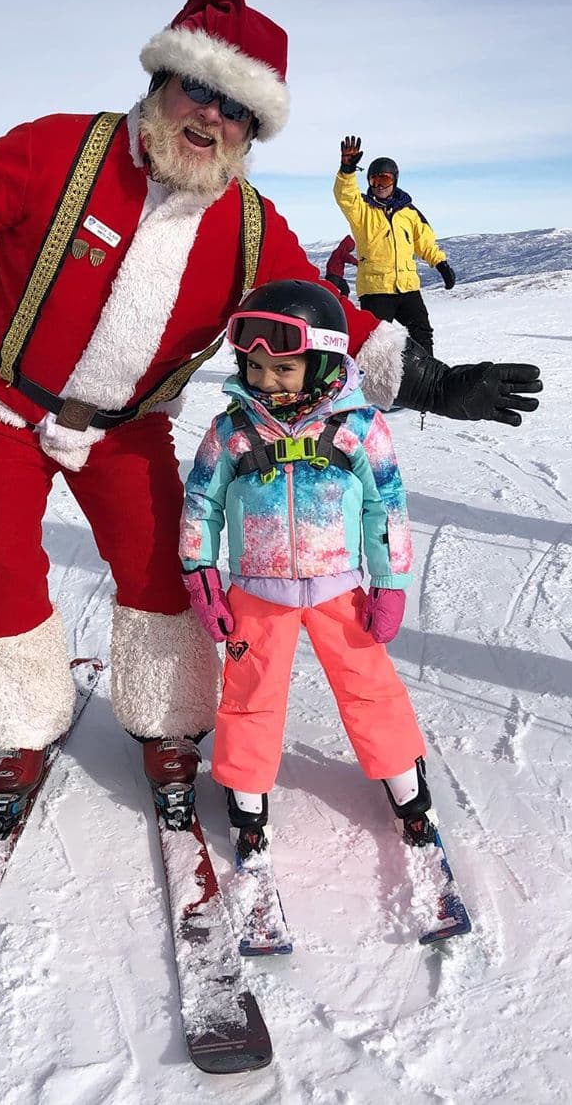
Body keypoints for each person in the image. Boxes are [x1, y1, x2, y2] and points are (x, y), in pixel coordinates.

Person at [0, 0, 540, 837]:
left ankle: (167, 721)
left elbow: (326, 314)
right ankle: (16, 729)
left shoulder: (248, 226)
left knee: (162, 564)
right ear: (161, 83)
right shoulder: (61, 152)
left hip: (126, 428)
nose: (210, 118)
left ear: (252, 130)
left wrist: (435, 383)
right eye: (197, 89)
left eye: (236, 110)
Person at [179, 279, 436, 856]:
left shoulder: (359, 429)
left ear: (321, 363)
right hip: (256, 592)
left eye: (284, 370)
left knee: (367, 685)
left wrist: (389, 583)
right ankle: (246, 791)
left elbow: (386, 509)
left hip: (339, 590)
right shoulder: (231, 432)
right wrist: (202, 575)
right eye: (254, 368)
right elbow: (201, 504)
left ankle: (403, 778)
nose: (266, 383)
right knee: (250, 692)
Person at [334, 136, 455, 355]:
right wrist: (347, 171)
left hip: (407, 286)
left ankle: (429, 377)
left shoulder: (409, 212)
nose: (379, 186)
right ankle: (372, 384)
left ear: (395, 180)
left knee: (422, 332)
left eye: (385, 180)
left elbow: (424, 242)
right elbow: (345, 196)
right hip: (376, 289)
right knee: (374, 342)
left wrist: (441, 263)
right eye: (374, 181)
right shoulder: (362, 210)